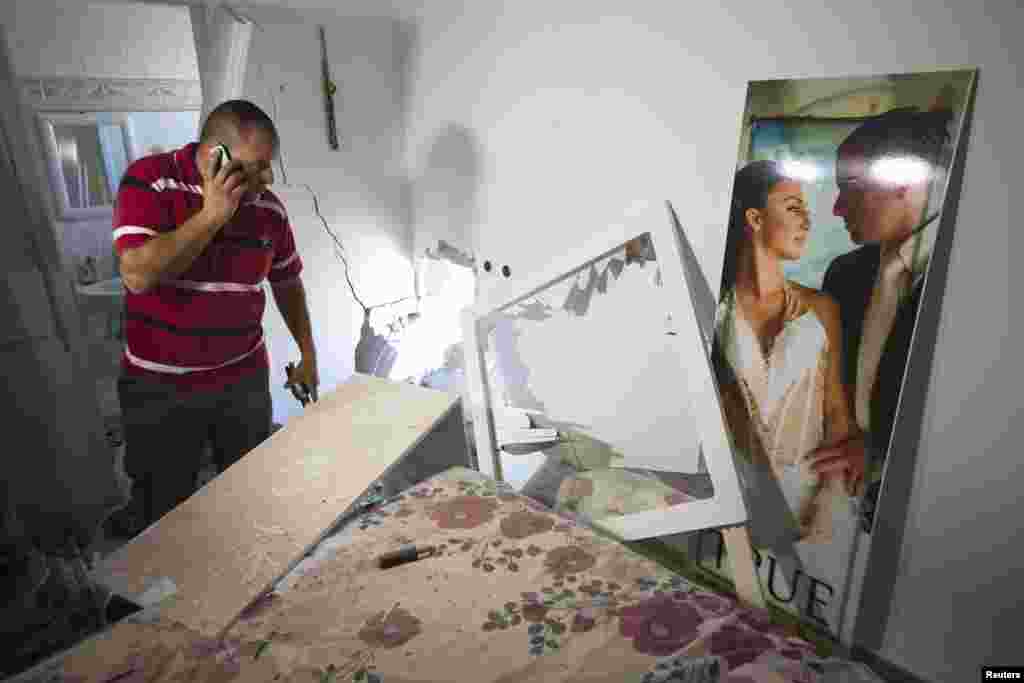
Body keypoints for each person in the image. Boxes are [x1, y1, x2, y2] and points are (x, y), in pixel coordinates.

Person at [109, 99, 319, 535]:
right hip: (160, 387)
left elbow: (287, 282)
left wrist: (308, 352)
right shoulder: (151, 182)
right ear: (213, 157)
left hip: (242, 380)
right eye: (256, 167)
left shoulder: (269, 210)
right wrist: (211, 216)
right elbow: (137, 276)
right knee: (164, 506)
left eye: (270, 166)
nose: (268, 179)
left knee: (247, 491)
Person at [712, 159, 864, 543]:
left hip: (808, 504)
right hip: (728, 503)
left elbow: (836, 415)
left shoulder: (822, 309)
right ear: (755, 218)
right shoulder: (713, 308)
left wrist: (828, 502)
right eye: (794, 208)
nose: (807, 222)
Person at [820, 108, 952, 532]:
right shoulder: (844, 274)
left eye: (849, 188)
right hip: (841, 507)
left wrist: (878, 452)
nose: (838, 208)